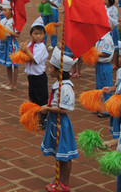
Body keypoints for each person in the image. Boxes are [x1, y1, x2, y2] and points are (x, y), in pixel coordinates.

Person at [39, 47, 78, 192]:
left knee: (64, 155)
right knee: (59, 154)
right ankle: (59, 180)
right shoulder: (59, 85)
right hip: (55, 122)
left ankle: (64, 183)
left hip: (62, 123)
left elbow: (64, 109)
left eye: (51, 67)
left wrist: (48, 109)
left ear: (58, 71)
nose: (49, 70)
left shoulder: (66, 88)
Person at [19, 17, 49, 106]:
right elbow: (26, 57)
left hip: (39, 76)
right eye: (35, 33)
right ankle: (34, 114)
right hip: (31, 75)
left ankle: (43, 116)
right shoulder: (30, 45)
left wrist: (26, 51)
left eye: (41, 34)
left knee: (41, 97)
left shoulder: (41, 47)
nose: (38, 36)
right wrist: (22, 50)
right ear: (31, 34)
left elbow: (36, 60)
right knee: (33, 96)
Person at [0, 0, 21, 90]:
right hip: (4, 42)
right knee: (8, 64)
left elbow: (18, 35)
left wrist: (9, 32)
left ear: (11, 11)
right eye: (2, 10)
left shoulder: (14, 21)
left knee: (14, 64)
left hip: (12, 43)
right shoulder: (2, 21)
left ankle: (14, 83)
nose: (3, 12)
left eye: (5, 10)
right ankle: (9, 81)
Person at [94, 32, 115, 118]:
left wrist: (94, 54)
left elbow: (107, 53)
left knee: (106, 86)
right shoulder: (100, 37)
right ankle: (100, 106)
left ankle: (107, 109)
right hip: (99, 65)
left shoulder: (107, 39)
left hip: (105, 65)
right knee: (99, 86)